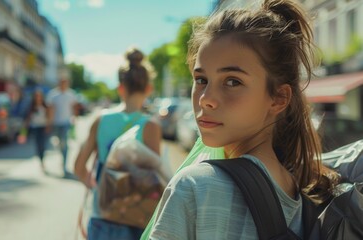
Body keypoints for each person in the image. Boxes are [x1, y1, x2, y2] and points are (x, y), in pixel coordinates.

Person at [145, 0, 340, 239]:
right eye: (201, 80)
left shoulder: (195, 187)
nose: (206, 99)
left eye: (232, 81)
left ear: (279, 98)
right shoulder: (304, 187)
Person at [74, 47, 162, 240]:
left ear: (120, 88)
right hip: (138, 214)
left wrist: (96, 187)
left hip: (103, 212)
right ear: (148, 88)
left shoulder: (100, 120)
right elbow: (157, 177)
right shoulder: (151, 126)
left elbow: (79, 167)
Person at [46, 76, 79, 176]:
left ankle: (64, 164)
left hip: (66, 122)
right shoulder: (53, 95)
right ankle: (62, 157)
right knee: (58, 143)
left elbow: (74, 107)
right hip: (56, 123)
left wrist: (74, 118)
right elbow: (50, 109)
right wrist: (49, 123)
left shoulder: (71, 94)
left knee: (64, 143)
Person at [24, 89, 49, 172]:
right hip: (35, 127)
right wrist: (23, 132)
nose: (38, 98)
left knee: (43, 145)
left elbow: (49, 116)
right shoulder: (32, 107)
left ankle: (43, 158)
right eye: (36, 96)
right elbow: (28, 119)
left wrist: (48, 126)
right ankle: (41, 160)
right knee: (38, 144)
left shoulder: (45, 106)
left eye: (39, 96)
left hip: (43, 127)